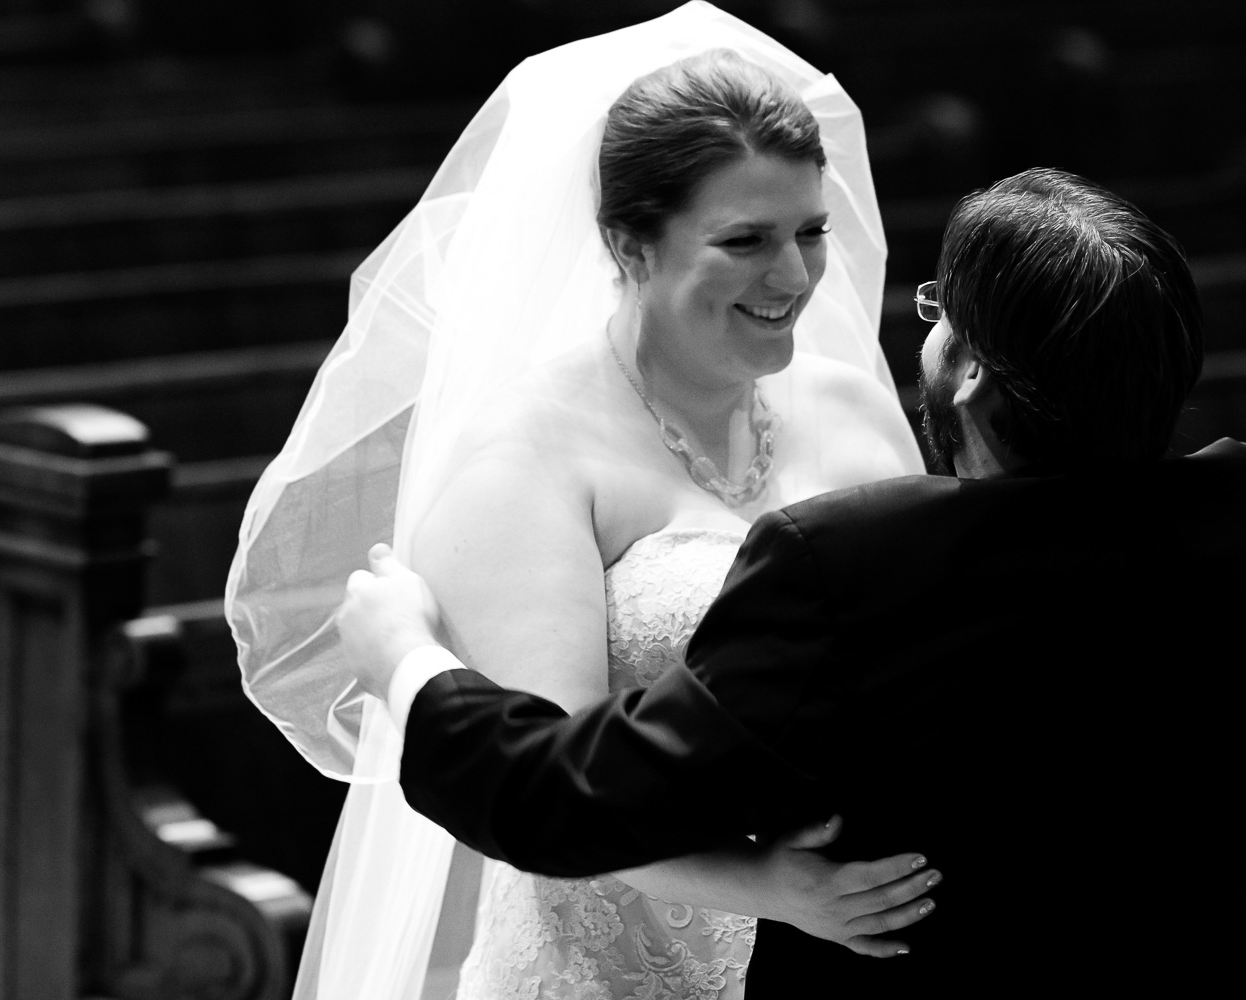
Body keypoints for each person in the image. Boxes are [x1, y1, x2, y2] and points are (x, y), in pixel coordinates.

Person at [339, 168, 1246, 998]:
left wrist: (410, 663)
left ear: (970, 372)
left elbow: (575, 800)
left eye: (940, 316)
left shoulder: (852, 564)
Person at [227, 5, 938, 998]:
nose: (793, 275)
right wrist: (774, 888)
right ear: (630, 244)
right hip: (616, 968)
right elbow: (549, 784)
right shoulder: (525, 458)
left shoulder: (853, 407)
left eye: (810, 230)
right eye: (743, 240)